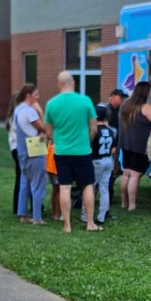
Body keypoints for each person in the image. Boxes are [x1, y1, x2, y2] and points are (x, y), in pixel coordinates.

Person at [44, 71, 100, 233]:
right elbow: (94, 129)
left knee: (64, 187)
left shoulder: (51, 104)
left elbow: (48, 132)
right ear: (73, 82)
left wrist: (56, 141)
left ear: (58, 85)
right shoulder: (85, 101)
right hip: (82, 151)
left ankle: (67, 225)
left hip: (61, 152)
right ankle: (90, 223)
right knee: (87, 185)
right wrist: (87, 142)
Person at [118, 81, 151, 211]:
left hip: (126, 144)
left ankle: (123, 202)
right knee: (135, 175)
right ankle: (132, 205)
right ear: (146, 92)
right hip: (140, 145)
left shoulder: (126, 105)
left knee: (126, 173)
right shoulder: (146, 107)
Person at [14, 84, 48, 225]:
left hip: (22, 151)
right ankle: (37, 218)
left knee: (25, 183)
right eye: (36, 94)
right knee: (38, 184)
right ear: (28, 95)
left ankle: (23, 214)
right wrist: (40, 112)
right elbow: (44, 128)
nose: (38, 97)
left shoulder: (18, 109)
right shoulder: (30, 111)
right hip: (35, 151)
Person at [81, 103, 117, 226]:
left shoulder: (94, 131)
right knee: (104, 189)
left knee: (89, 188)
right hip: (108, 160)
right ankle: (101, 217)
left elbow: (89, 147)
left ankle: (85, 216)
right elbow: (113, 148)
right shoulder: (111, 131)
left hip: (96, 161)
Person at [105, 88, 125, 210]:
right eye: (120, 96)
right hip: (106, 146)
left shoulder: (120, 110)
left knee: (114, 171)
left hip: (116, 147)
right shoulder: (106, 110)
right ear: (112, 96)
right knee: (107, 171)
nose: (122, 99)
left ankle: (109, 195)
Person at [6, 92, 21, 215]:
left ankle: (18, 206)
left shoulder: (13, 114)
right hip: (20, 148)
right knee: (22, 178)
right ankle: (19, 207)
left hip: (15, 148)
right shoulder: (18, 114)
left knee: (20, 177)